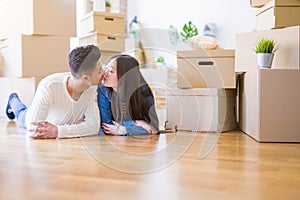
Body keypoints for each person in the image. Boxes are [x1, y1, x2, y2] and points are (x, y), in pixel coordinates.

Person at [6, 44, 103, 139]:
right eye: (99, 71)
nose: (104, 73)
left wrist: (58, 131)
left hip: (58, 124)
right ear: (85, 78)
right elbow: (34, 129)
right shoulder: (50, 85)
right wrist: (78, 128)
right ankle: (13, 99)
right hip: (34, 117)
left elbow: (93, 126)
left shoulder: (91, 87)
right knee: (21, 113)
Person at [97, 54, 159, 136]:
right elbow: (107, 126)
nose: (105, 73)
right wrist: (139, 124)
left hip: (136, 144)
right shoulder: (103, 90)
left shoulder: (143, 92)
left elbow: (153, 128)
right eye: (106, 68)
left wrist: (126, 130)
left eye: (111, 71)